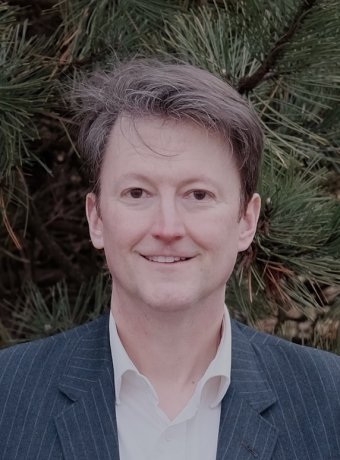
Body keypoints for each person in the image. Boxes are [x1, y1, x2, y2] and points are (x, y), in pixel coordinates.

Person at [0, 58, 339, 460]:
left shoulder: (330, 399)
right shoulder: (8, 394)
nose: (167, 227)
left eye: (198, 195)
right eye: (137, 193)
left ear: (246, 221)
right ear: (96, 218)